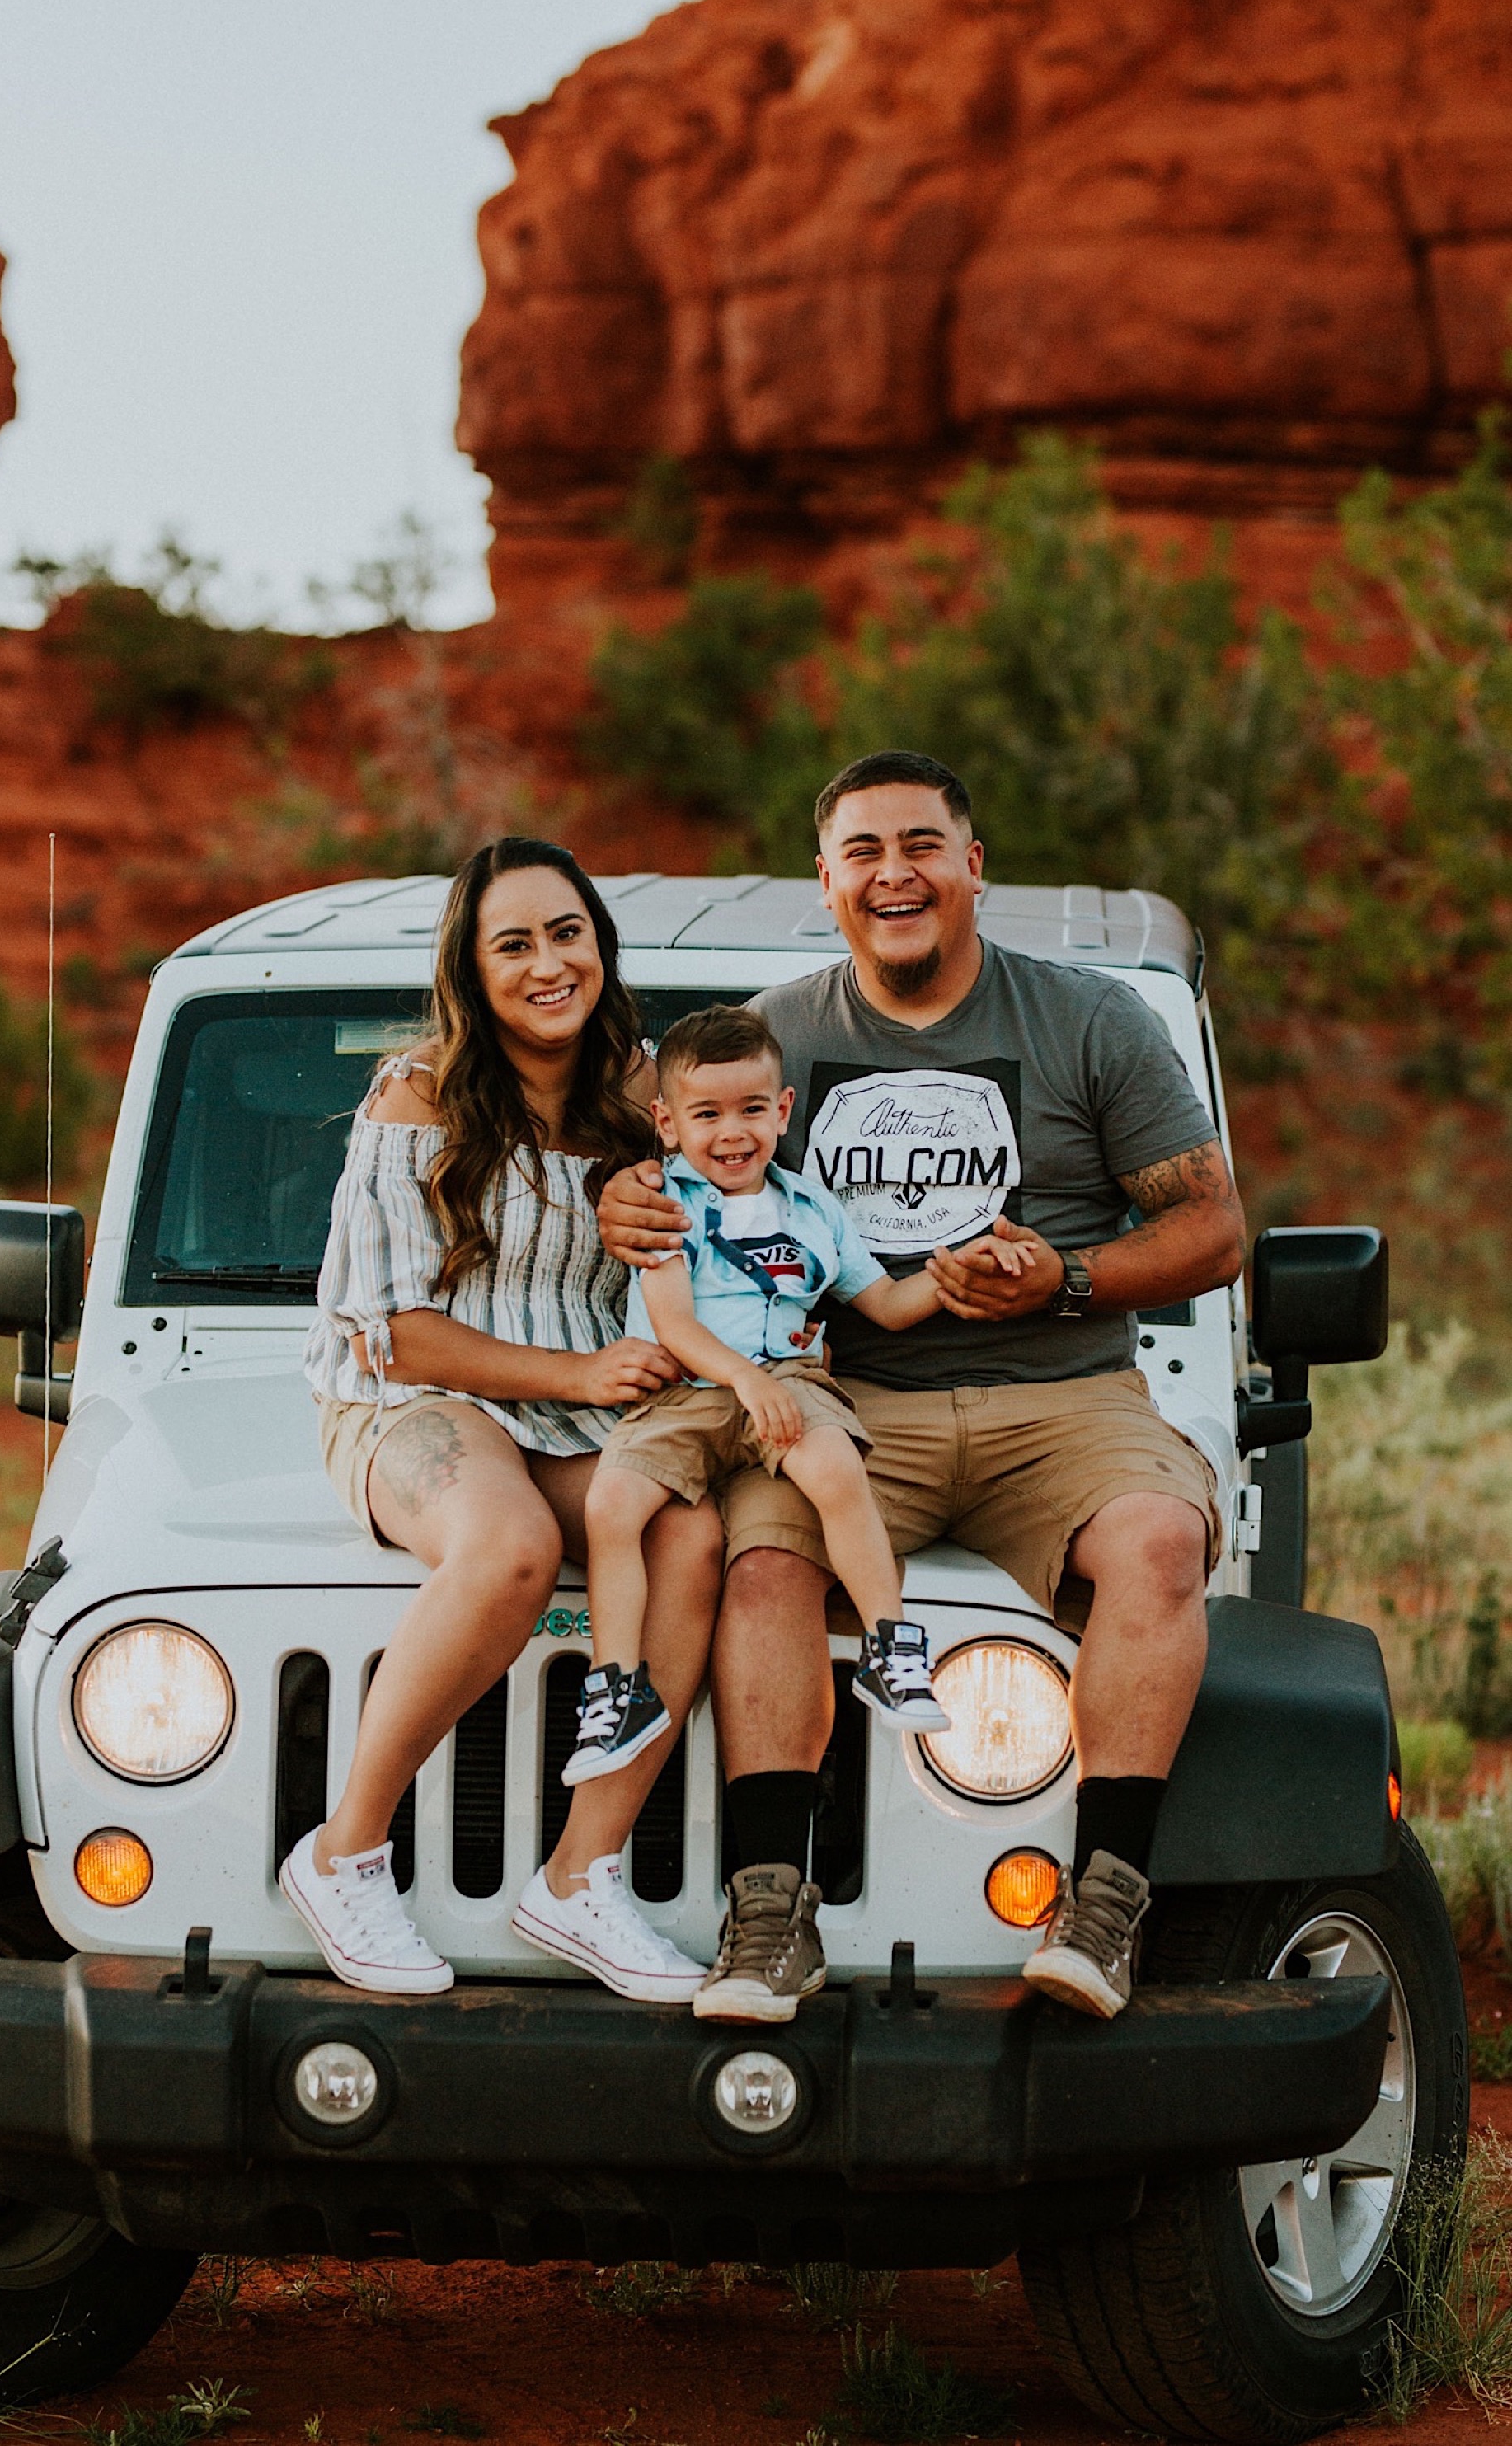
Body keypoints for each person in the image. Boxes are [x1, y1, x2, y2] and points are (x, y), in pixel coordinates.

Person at [599, 752, 1247, 2024]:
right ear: (828, 882)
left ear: (972, 867)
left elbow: (1214, 1231)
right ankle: (770, 1914)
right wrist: (622, 1192)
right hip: (846, 1395)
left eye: (921, 847)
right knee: (764, 1565)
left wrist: (1063, 1275)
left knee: (1164, 1537)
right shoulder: (771, 1030)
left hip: (1064, 1391)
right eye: (863, 853)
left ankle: (1105, 1906)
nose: (893, 874)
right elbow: (635, 1142)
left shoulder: (1090, 1020)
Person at [291, 835, 722, 2004]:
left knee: (689, 1531)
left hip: (574, 1410)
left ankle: (581, 1875)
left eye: (567, 933)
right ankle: (344, 1853)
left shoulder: (638, 1096)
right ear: (471, 970)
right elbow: (398, 1329)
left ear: (601, 945)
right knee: (511, 1547)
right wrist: (582, 1377)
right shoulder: (419, 1090)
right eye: (513, 943)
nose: (547, 963)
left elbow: (744, 1175)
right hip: (413, 1396)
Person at [571, 1005, 1017, 1799]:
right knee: (611, 1505)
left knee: (836, 1468)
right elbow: (672, 1324)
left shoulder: (814, 1209)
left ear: (782, 1111)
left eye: (750, 1109)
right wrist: (746, 1380)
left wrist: (955, 1271)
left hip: (788, 1381)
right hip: (687, 1392)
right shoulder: (659, 1203)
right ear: (667, 1124)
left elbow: (881, 1300)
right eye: (706, 1114)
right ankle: (617, 1689)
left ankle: (891, 1650)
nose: (731, 1132)